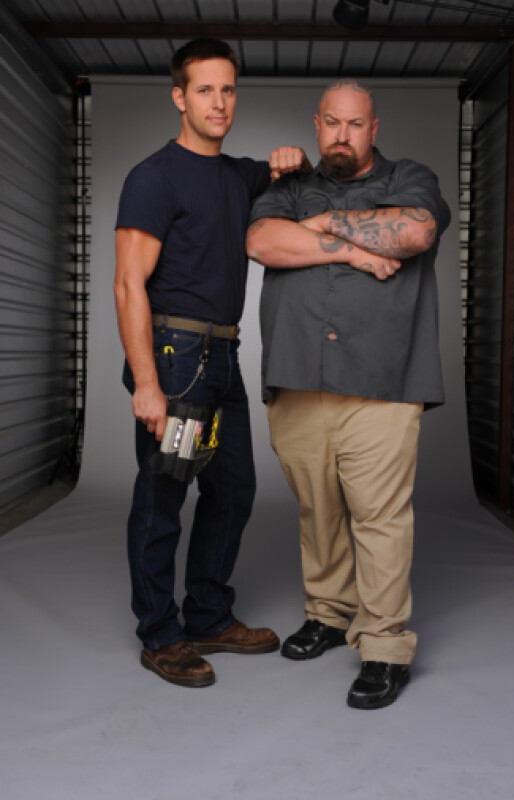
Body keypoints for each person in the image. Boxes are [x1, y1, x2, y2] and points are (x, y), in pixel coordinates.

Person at [246, 79, 450, 709]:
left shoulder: (409, 177)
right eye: (332, 123)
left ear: (373, 129)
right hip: (298, 376)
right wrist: (359, 252)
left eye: (355, 124)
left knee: (380, 517)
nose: (342, 135)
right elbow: (262, 241)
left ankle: (384, 646)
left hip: (383, 382)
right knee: (319, 510)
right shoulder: (289, 187)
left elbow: (415, 232)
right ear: (317, 124)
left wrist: (326, 224)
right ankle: (330, 613)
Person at [114, 38, 309, 688]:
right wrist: (147, 383)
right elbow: (127, 284)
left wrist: (295, 157)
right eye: (205, 90)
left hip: (222, 358)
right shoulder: (154, 176)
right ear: (180, 97)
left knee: (234, 490)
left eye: (228, 89)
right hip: (178, 365)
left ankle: (207, 616)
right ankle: (160, 635)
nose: (219, 102)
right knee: (164, 494)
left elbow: (294, 177)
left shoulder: (238, 175)